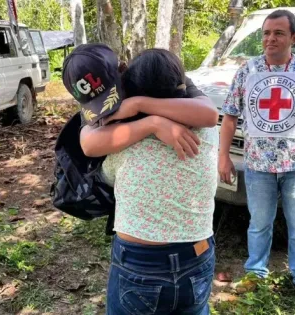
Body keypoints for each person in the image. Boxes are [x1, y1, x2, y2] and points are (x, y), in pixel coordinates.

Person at [62, 45, 219, 314]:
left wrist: (139, 109)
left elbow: (89, 144)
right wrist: (154, 122)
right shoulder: (205, 130)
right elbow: (210, 114)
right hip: (197, 253)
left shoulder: (123, 138)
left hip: (139, 262)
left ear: (127, 82)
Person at [218, 9, 295, 302]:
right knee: (259, 222)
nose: (270, 39)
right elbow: (230, 117)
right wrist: (223, 156)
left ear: (294, 38)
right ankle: (255, 273)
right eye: (266, 33)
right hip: (258, 163)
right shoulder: (248, 71)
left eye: (278, 33)